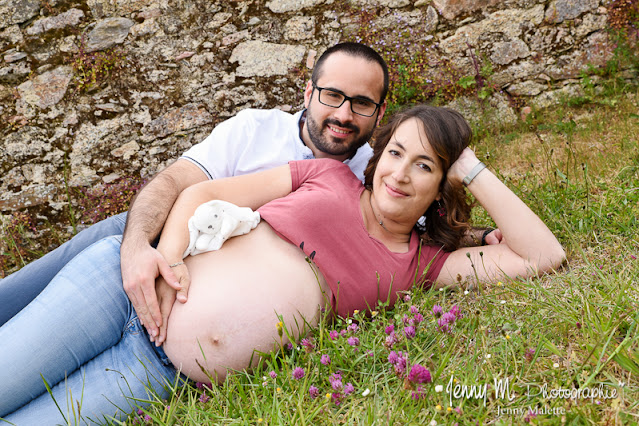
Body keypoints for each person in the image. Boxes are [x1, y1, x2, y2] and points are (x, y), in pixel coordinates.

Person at [0, 104, 565, 423]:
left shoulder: (421, 266)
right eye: (395, 152)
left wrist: (473, 167)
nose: (400, 173)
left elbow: (543, 255)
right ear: (377, 156)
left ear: (442, 186)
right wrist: (164, 265)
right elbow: (200, 195)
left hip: (153, 369)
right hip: (120, 292)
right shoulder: (326, 177)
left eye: (425, 166)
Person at [0, 42, 500, 330]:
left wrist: (476, 236)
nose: (344, 114)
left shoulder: (378, 167)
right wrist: (137, 248)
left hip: (214, 284)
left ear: (379, 112)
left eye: (361, 103)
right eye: (331, 96)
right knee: (54, 276)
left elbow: (408, 222)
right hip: (160, 232)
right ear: (308, 93)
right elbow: (175, 182)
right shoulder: (255, 128)